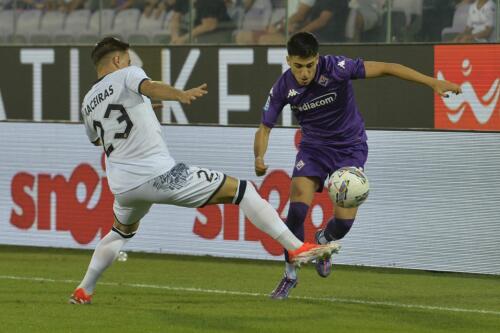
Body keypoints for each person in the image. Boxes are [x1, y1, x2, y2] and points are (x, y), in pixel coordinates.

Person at [69, 37, 337, 304]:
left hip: (123, 186)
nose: (130, 62)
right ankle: (297, 247)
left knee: (120, 232)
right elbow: (150, 87)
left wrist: (144, 110)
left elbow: (99, 139)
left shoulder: (88, 102)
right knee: (243, 191)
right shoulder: (128, 74)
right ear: (118, 60)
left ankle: (83, 290)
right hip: (158, 175)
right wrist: (178, 94)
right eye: (127, 58)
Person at [254, 32, 461, 299]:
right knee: (296, 211)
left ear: (317, 59)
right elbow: (264, 127)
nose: (304, 73)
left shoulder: (338, 68)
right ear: (288, 61)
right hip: (314, 150)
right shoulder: (283, 87)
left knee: (343, 223)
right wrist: (259, 157)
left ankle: (323, 242)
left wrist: (432, 82)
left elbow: (388, 68)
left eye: (309, 65)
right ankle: (289, 276)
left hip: (349, 149)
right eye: (297, 66)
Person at [259, 0, 349, 44]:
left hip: (325, 39)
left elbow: (322, 21)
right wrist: (297, 28)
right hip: (313, 36)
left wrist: (299, 33)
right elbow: (311, 20)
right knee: (265, 38)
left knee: (266, 40)